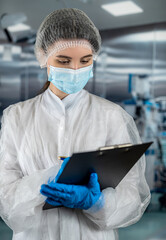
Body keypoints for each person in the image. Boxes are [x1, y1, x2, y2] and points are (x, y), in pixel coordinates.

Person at [0, 8, 151, 240]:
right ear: (43, 56)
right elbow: (5, 198)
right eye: (64, 60)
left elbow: (132, 196)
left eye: (85, 60)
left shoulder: (112, 116)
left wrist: (97, 202)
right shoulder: (16, 117)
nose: (75, 69)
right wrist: (47, 180)